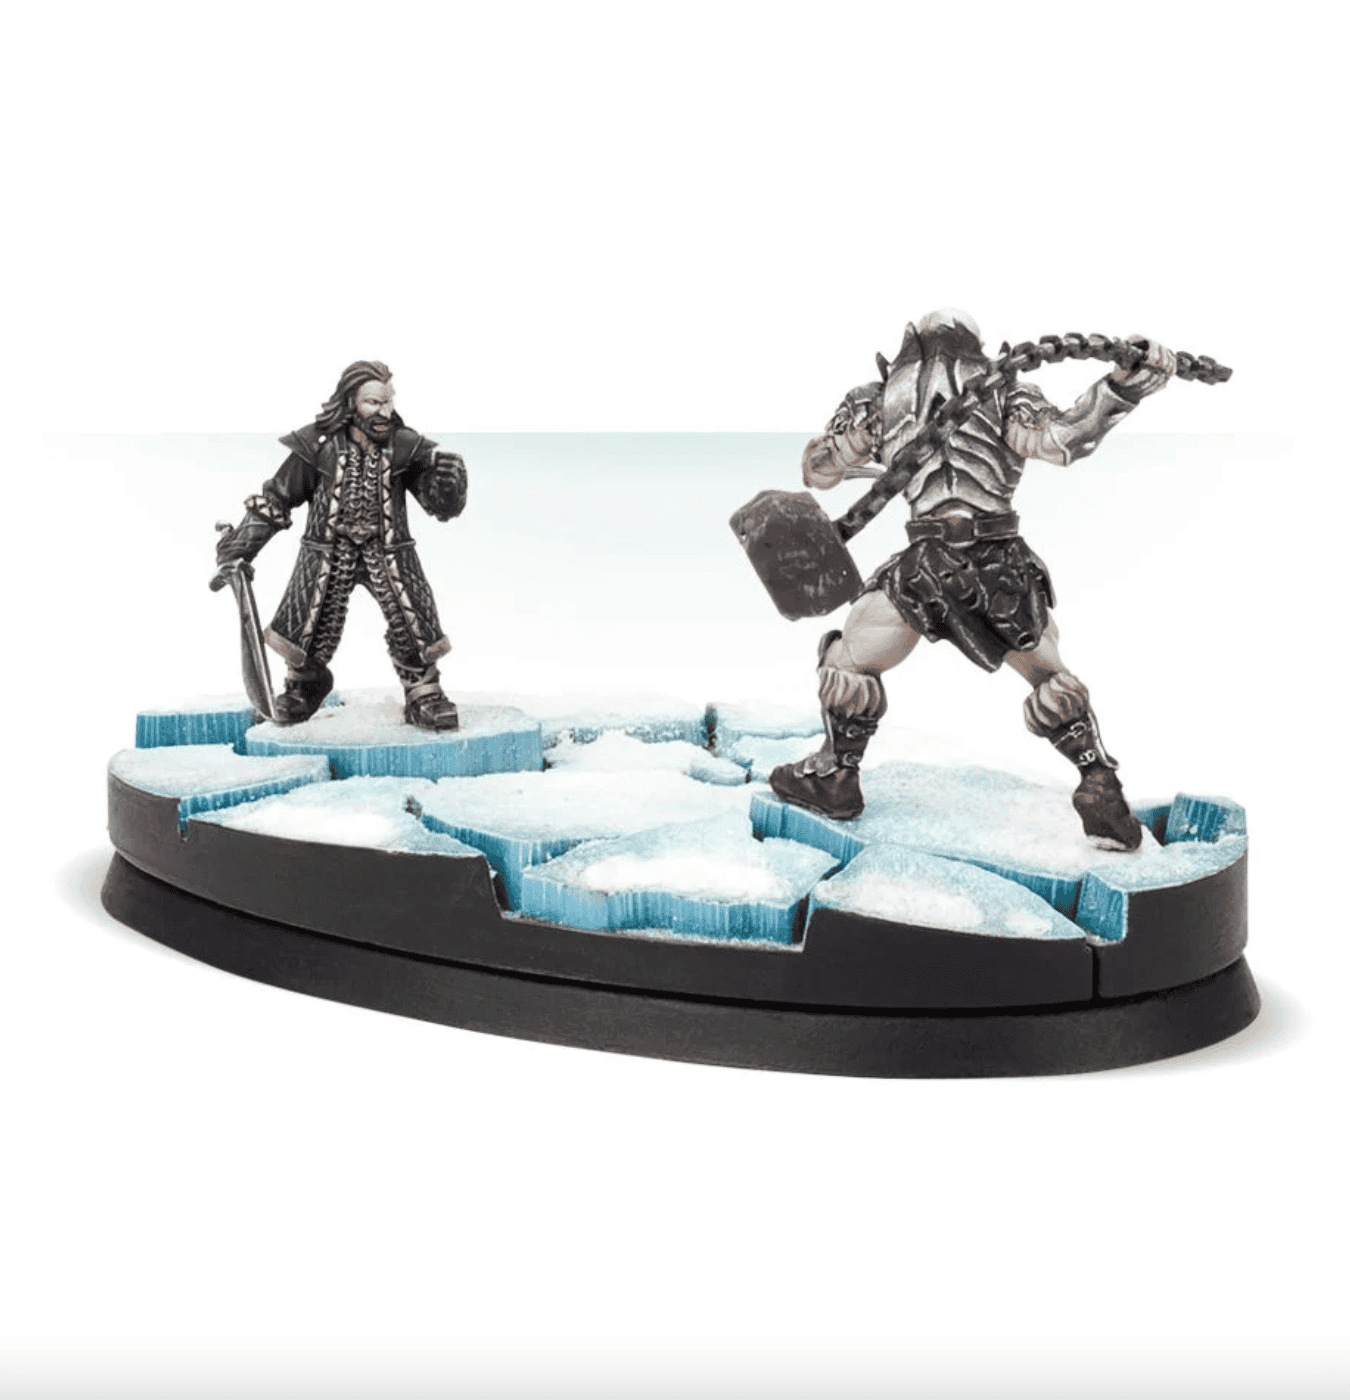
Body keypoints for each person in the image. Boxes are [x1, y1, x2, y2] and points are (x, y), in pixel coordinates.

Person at [768, 309, 1176, 851]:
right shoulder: (996, 391)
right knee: (1049, 675)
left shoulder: (897, 398)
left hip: (932, 568)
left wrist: (1123, 387)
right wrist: (1122, 388)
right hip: (992, 567)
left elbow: (820, 470)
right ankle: (1097, 778)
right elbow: (1062, 440)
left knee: (846, 659)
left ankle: (837, 774)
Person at [214, 360, 467, 729]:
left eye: (388, 401)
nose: (385, 412)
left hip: (389, 552)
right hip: (328, 552)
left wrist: (448, 485)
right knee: (311, 620)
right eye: (374, 403)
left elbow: (437, 504)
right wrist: (241, 545)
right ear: (350, 402)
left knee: (409, 618)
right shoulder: (317, 446)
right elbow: (278, 498)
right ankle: (304, 683)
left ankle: (422, 690)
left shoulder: (403, 445)